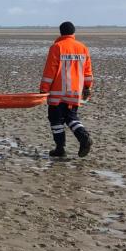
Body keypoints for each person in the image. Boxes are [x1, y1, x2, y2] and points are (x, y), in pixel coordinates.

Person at [40, 21, 94, 158]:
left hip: (57, 92)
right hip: (75, 91)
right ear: (73, 33)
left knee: (56, 119)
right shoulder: (82, 47)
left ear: (61, 33)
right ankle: (83, 137)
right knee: (71, 117)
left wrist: (43, 90)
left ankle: (60, 148)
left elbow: (49, 71)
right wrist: (87, 87)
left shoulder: (57, 47)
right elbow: (88, 71)